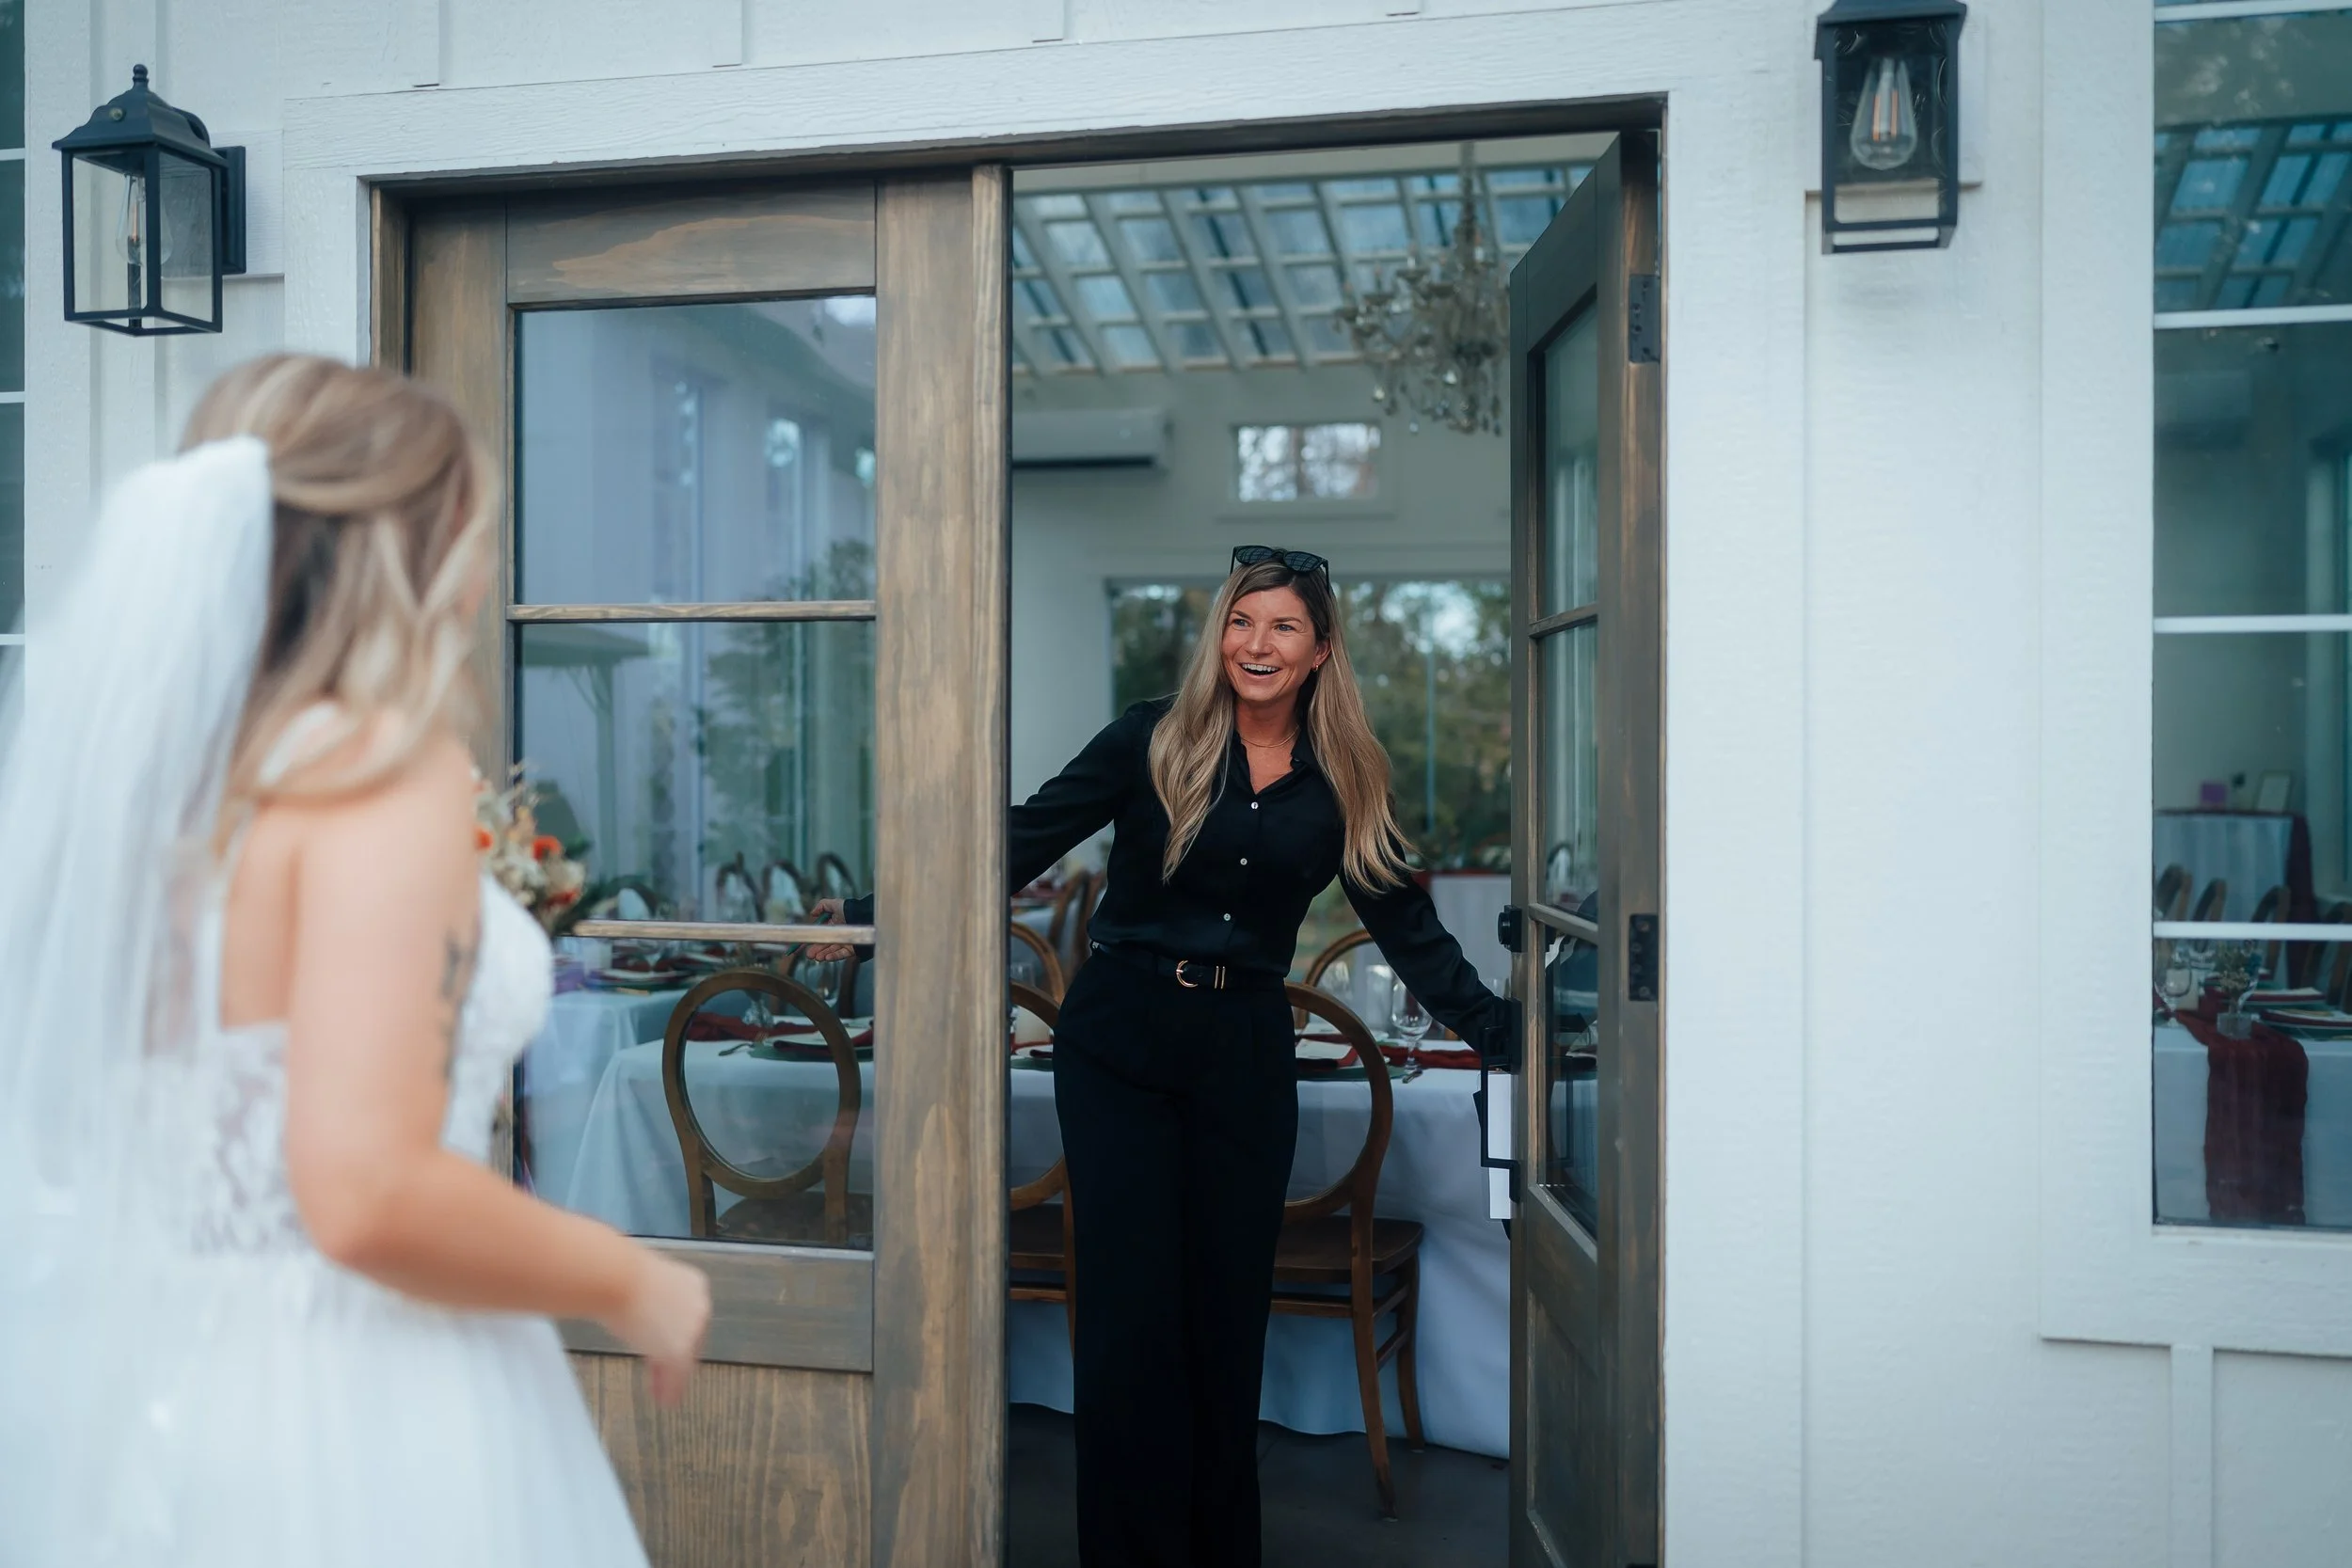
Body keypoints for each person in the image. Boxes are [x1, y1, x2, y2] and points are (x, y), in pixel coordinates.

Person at [0, 356, 709, 1567]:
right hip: (347, 1392)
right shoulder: (373, 770)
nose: (487, 571)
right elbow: (365, 1187)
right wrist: (635, 1279)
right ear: (414, 545)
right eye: (477, 526)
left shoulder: (163, 801)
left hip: (150, 1377)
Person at [814, 546, 1506, 1568]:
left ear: (1319, 651)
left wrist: (1507, 1034)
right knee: (1130, 1321)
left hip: (1243, 1059)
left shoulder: (1347, 777)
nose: (1255, 644)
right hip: (1120, 1045)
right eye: (1240, 621)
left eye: (1280, 627)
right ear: (1218, 634)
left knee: (1227, 1320)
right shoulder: (1152, 736)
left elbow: (1409, 929)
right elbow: (1015, 839)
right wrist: (870, 918)